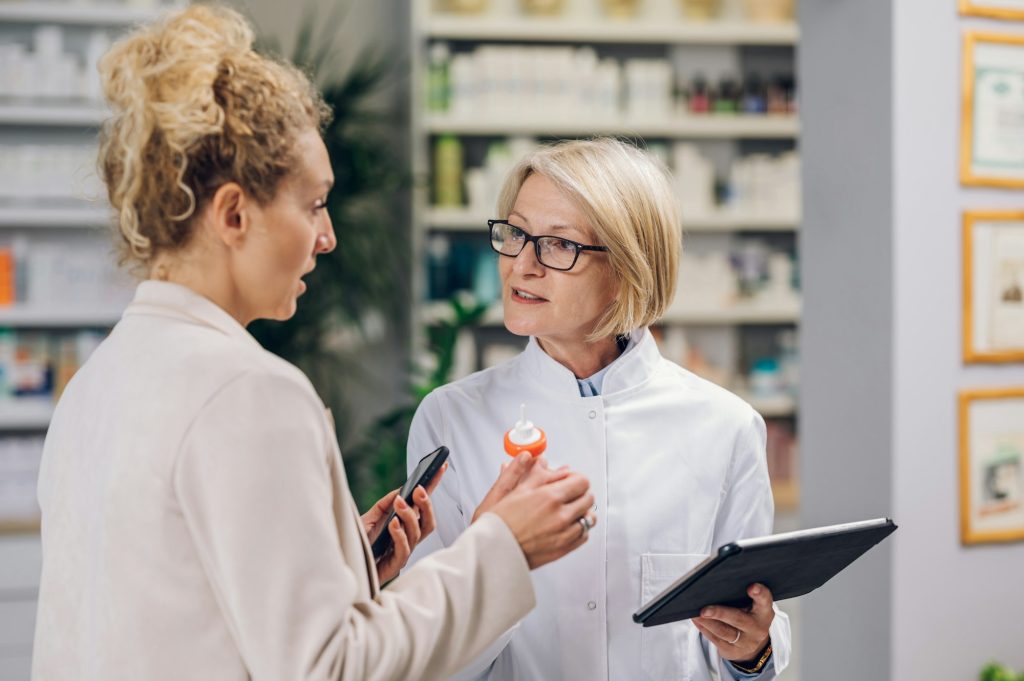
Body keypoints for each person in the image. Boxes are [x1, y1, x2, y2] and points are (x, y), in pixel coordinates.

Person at [32, 7, 596, 681]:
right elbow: (332, 668)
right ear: (234, 215)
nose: (327, 238)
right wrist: (503, 545)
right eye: (313, 205)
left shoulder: (98, 381)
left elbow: (177, 604)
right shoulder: (248, 392)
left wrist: (342, 566)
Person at [407, 138, 792, 680]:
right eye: (515, 234)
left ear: (630, 266)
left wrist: (751, 651)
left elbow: (745, 630)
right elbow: (427, 657)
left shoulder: (725, 426)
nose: (522, 265)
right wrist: (493, 557)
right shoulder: (451, 418)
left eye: (558, 246)